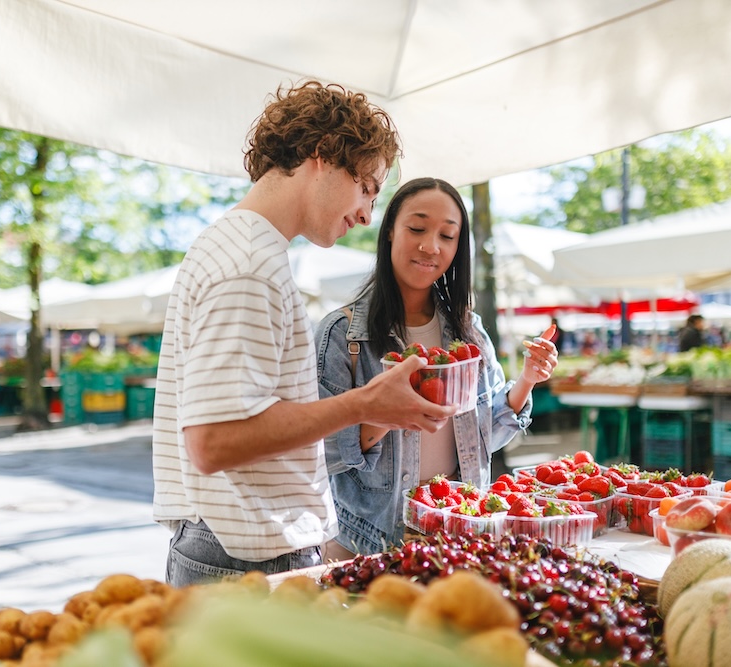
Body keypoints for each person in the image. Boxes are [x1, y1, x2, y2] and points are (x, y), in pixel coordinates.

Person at [152, 81, 458, 587]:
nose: (365, 214)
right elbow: (213, 441)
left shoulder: (240, 248)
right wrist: (364, 404)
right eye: (366, 187)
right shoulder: (249, 265)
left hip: (230, 547)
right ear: (323, 155)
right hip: (244, 557)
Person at [314, 177, 559, 558]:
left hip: (459, 534)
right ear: (390, 230)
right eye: (417, 228)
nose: (431, 246)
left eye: (447, 236)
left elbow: (483, 438)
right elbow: (318, 451)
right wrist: (387, 413)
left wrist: (528, 380)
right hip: (371, 544)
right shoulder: (344, 334)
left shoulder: (468, 332)